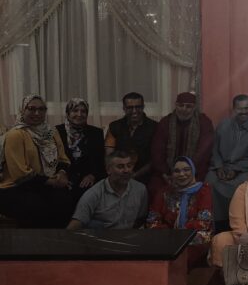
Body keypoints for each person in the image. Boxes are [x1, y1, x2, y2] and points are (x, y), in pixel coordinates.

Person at [0, 95, 73, 228]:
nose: (37, 113)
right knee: (36, 207)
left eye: (41, 109)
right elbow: (20, 174)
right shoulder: (16, 134)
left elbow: (62, 157)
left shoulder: (51, 132)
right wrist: (51, 182)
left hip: (44, 183)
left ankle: (58, 240)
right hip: (16, 187)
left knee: (64, 201)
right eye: (32, 109)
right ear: (23, 110)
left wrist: (62, 173)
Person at [206, 94, 248, 232]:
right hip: (220, 166)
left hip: (244, 169)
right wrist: (219, 167)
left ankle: (235, 224)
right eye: (240, 109)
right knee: (209, 183)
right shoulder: (223, 125)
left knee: (239, 186)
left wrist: (236, 170)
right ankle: (213, 226)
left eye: (246, 108)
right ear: (234, 109)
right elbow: (214, 149)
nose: (243, 112)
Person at [147, 156, 213, 267]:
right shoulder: (164, 192)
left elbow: (204, 222)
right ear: (172, 174)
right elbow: (152, 220)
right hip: (168, 237)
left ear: (193, 171)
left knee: (179, 258)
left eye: (186, 170)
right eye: (177, 171)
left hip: (193, 236)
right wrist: (169, 234)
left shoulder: (203, 191)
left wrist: (180, 233)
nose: (182, 174)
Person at [149, 92, 215, 199]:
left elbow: (203, 153)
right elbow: (157, 151)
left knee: (201, 191)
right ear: (176, 105)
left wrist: (186, 174)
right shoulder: (166, 122)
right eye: (181, 105)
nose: (184, 109)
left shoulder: (204, 123)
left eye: (188, 106)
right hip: (167, 172)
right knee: (156, 188)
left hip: (195, 172)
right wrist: (166, 173)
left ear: (194, 107)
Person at [67, 150, 148, 230]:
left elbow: (141, 219)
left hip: (130, 235)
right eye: (120, 166)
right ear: (108, 170)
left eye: (129, 166)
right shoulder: (93, 194)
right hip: (103, 236)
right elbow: (73, 228)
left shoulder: (140, 189)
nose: (126, 170)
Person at [56, 98, 106, 202]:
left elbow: (101, 160)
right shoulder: (56, 132)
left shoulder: (96, 133)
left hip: (87, 179)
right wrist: (61, 174)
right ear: (67, 113)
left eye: (83, 111)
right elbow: (51, 158)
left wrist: (93, 175)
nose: (79, 114)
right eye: (75, 111)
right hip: (63, 177)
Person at [104, 92, 158, 183]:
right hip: (118, 174)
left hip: (145, 176)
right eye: (130, 108)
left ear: (143, 107)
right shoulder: (114, 126)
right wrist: (120, 172)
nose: (134, 111)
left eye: (138, 107)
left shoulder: (155, 127)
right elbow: (109, 155)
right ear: (124, 108)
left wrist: (135, 175)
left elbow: (155, 159)